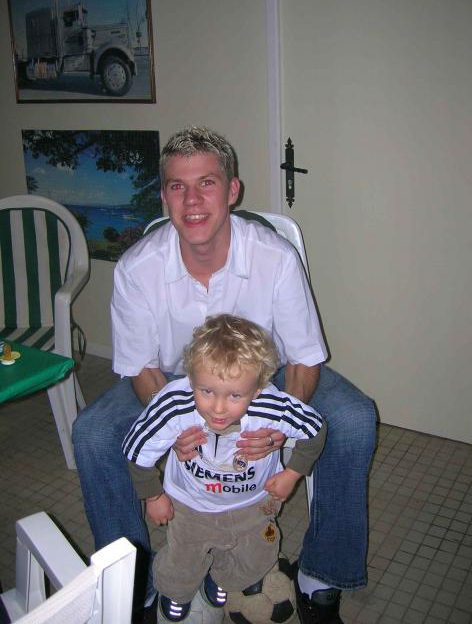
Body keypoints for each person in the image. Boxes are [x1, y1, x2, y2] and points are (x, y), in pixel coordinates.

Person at [72, 125, 377, 624]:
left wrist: (280, 424)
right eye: (177, 186)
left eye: (207, 183)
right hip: (172, 380)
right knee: (93, 434)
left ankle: (322, 575)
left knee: (356, 418)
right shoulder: (136, 268)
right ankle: (134, 586)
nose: (192, 201)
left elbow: (305, 358)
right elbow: (141, 367)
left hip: (267, 374)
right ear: (164, 195)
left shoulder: (275, 257)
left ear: (232, 190)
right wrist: (174, 426)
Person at [124, 314, 326, 622]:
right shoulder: (174, 403)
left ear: (257, 390)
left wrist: (292, 473)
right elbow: (137, 449)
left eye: (235, 395)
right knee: (182, 557)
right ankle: (176, 592)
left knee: (256, 556)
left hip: (253, 504)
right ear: (191, 379)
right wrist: (153, 495)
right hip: (190, 505)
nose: (218, 408)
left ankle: (221, 578)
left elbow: (315, 429)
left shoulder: (272, 405)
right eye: (206, 391)